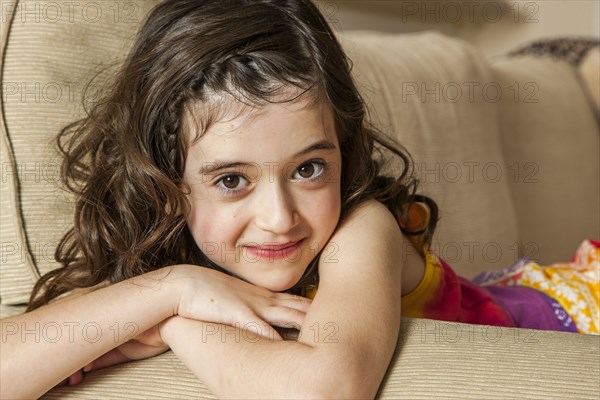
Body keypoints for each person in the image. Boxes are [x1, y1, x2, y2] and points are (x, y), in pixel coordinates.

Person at [1, 0, 597, 398]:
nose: (280, 218)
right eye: (231, 180)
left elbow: (322, 391)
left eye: (310, 168)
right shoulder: (173, 259)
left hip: (565, 310)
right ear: (165, 188)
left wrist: (178, 325)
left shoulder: (362, 229)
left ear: (342, 150)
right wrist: (171, 287)